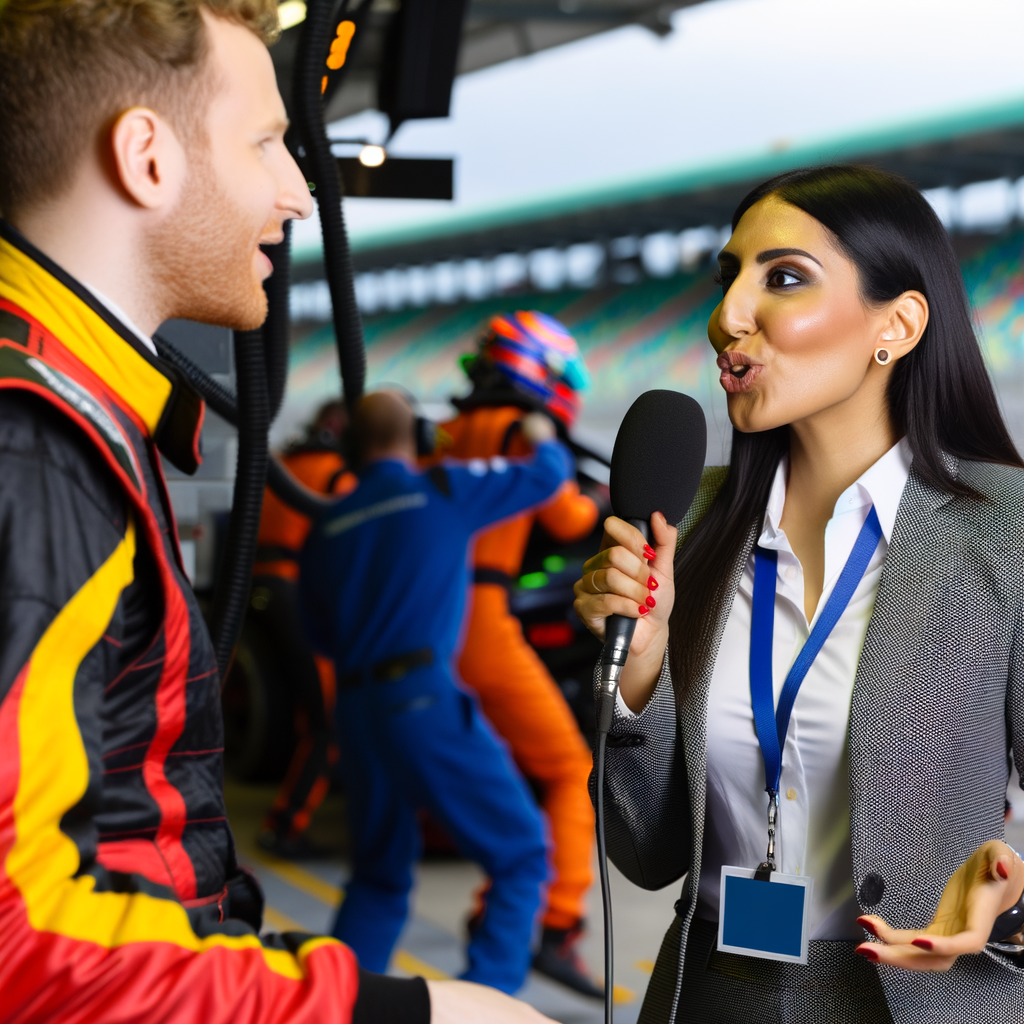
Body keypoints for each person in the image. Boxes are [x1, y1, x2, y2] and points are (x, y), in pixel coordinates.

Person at [0, 2, 554, 1021]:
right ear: (146, 157)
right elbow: (18, 947)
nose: (300, 191)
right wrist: (404, 1013)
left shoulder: (72, 412)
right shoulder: (32, 441)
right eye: (267, 142)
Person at [574, 165, 1024, 1023]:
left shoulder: (1008, 529)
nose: (726, 317)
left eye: (782, 278)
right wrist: (640, 672)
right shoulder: (688, 521)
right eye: (728, 277)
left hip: (924, 1002)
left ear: (897, 324)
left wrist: (1013, 886)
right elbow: (646, 849)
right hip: (708, 993)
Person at [299, 389, 576, 994]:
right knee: (523, 853)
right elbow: (548, 477)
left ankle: (339, 1004)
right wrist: (541, 430)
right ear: (419, 440)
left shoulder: (326, 524)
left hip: (355, 709)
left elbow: (316, 631)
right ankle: (486, 1000)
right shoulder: (443, 489)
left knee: (378, 874)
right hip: (421, 698)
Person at [442, 311, 603, 996]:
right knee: (570, 771)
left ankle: (496, 920)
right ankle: (556, 925)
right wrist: (597, 496)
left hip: (429, 620)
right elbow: (568, 520)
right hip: (483, 620)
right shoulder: (523, 434)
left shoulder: (446, 433)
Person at [253, 400, 354, 857]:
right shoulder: (336, 473)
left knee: (307, 712)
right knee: (327, 721)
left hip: (261, 591)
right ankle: (284, 827)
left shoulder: (285, 463)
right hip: (295, 590)